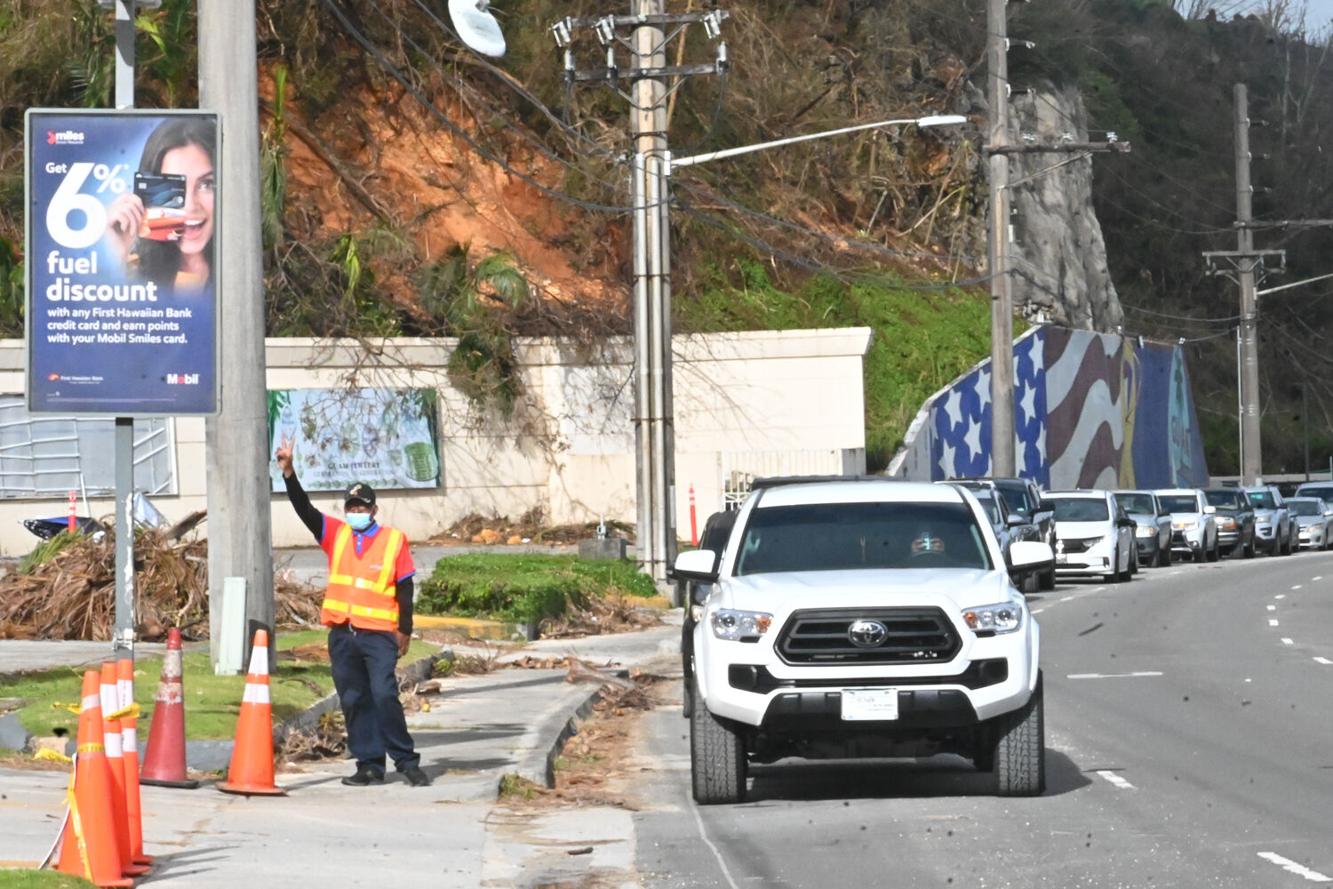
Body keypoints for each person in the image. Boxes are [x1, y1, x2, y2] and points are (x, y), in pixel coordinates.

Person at [274, 435, 431, 787]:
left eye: (362, 507)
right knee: (354, 699)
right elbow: (305, 511)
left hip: (379, 635)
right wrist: (289, 473)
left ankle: (406, 760)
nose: (357, 512)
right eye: (352, 507)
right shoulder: (336, 534)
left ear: (374, 510)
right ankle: (369, 764)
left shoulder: (393, 539)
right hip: (343, 634)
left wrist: (404, 629)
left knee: (384, 694)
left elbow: (405, 587)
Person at [105, 118, 216, 295]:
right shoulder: (134, 273)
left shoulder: (242, 270)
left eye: (206, 185)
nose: (190, 206)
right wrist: (118, 255)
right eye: (173, 186)